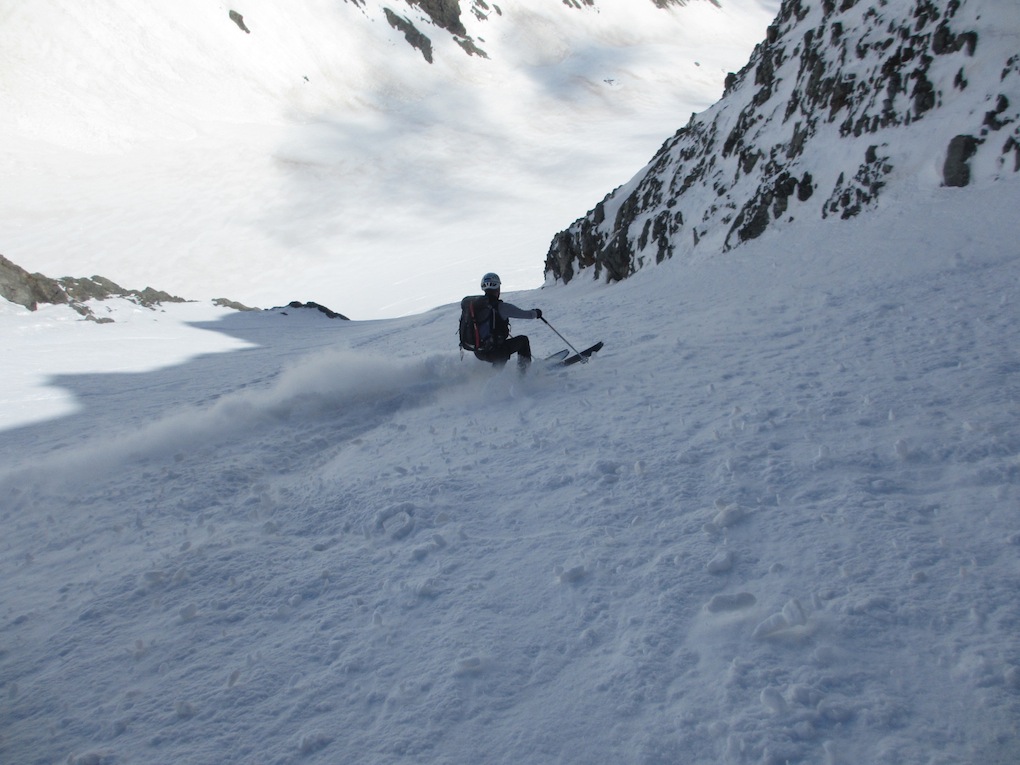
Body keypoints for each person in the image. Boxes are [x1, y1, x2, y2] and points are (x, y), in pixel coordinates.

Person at [469, 272, 543, 371]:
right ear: (498, 288)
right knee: (522, 341)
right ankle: (524, 375)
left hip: (479, 352)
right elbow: (526, 315)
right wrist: (536, 313)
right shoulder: (501, 307)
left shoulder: (476, 307)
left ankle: (495, 378)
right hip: (495, 352)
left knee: (500, 349)